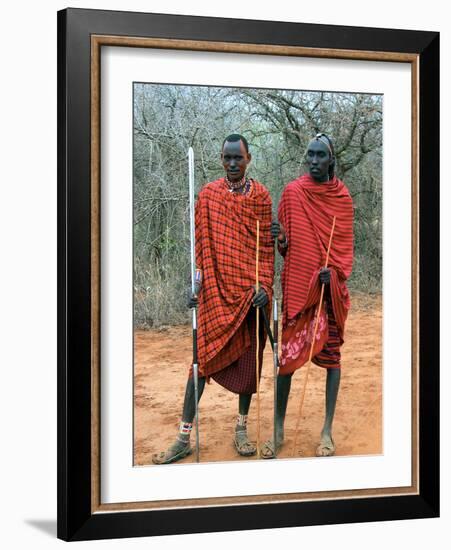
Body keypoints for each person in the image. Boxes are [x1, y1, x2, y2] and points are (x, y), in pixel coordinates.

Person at [152, 134, 274, 464]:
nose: (232, 163)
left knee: (250, 364)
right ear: (221, 159)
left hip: (250, 296)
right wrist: (195, 287)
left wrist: (265, 287)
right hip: (215, 296)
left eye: (238, 158)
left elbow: (265, 252)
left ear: (249, 158)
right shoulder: (208, 197)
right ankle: (183, 436)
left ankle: (241, 428)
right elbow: (201, 253)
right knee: (199, 365)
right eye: (226, 158)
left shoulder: (261, 196)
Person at [262, 133, 354, 459]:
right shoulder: (292, 193)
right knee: (285, 361)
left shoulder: (342, 198)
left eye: (320, 156)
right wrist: (281, 237)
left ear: (331, 160)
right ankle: (278, 427)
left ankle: (326, 430)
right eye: (310, 156)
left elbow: (343, 249)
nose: (314, 161)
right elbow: (286, 249)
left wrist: (336, 273)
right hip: (300, 288)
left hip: (329, 293)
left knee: (332, 360)